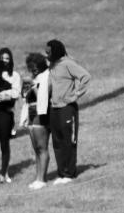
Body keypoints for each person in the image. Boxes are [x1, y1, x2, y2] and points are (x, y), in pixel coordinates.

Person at [45, 39, 91, 184]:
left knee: (68, 141)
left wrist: (76, 95)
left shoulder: (67, 64)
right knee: (57, 142)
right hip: (54, 108)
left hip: (67, 108)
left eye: (48, 52)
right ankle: (62, 173)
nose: (46, 54)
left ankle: (69, 174)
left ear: (55, 51)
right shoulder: (52, 66)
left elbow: (86, 77)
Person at [23, 52, 51, 189]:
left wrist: (33, 86)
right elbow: (24, 96)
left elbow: (43, 97)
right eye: (30, 66)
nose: (33, 69)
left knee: (42, 147)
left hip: (41, 114)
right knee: (36, 149)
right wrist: (26, 87)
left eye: (35, 66)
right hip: (31, 113)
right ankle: (38, 177)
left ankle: (42, 179)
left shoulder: (45, 77)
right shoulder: (34, 78)